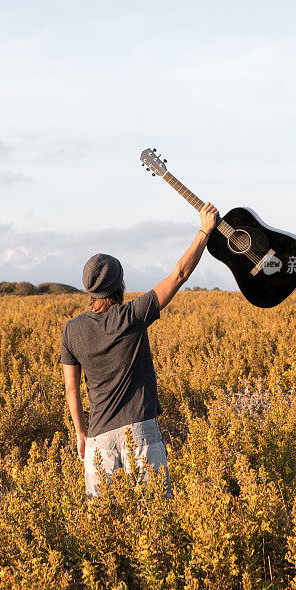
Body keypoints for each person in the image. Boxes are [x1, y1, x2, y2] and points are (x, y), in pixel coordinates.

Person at [61, 202, 219, 498]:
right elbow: (179, 275)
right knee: (157, 517)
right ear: (119, 285)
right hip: (140, 431)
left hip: (98, 439)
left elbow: (71, 389)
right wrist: (205, 230)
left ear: (89, 290)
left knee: (102, 526)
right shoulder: (132, 315)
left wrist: (81, 433)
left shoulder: (72, 330)